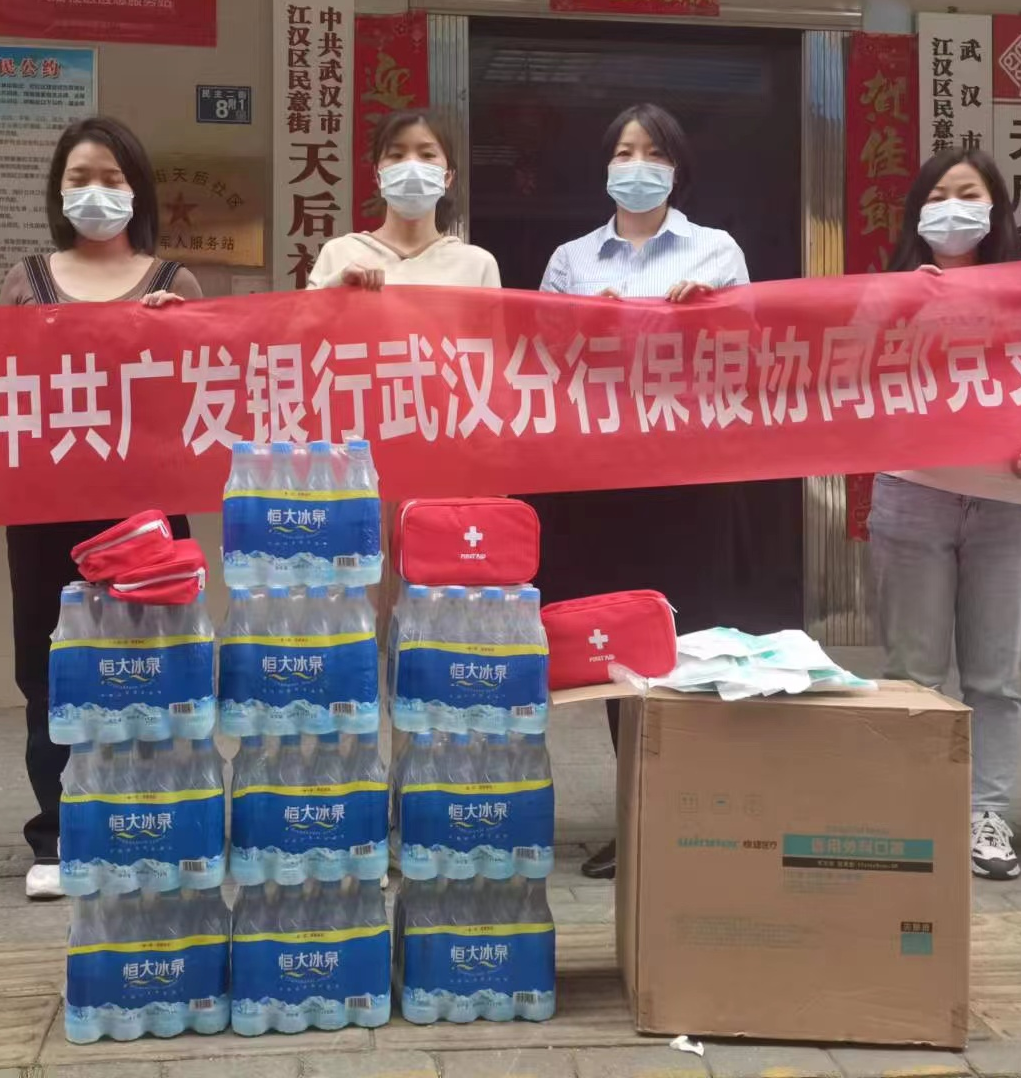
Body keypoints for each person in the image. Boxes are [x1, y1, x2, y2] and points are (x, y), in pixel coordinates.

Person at [0, 115, 201, 899]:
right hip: (45, 506)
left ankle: (153, 822)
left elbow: (204, 393)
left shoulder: (175, 283)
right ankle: (58, 836)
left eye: (112, 178)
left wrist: (183, 336)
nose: (96, 192)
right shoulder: (26, 279)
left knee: (153, 666)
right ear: (58, 192)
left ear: (138, 189)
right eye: (80, 178)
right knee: (52, 668)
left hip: (146, 511)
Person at [536, 102, 750, 880]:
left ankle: (691, 815)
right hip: (600, 483)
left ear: (677, 168)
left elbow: (750, 356)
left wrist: (712, 320)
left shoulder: (716, 250)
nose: (637, 165)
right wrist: (577, 328)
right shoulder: (571, 260)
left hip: (689, 478)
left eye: (653, 152)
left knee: (683, 644)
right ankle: (638, 815)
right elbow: (539, 365)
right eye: (624, 150)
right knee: (618, 648)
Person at [867, 148, 1021, 882]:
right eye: (937, 195)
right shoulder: (885, 295)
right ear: (916, 212)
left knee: (996, 678)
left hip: (1009, 504)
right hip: (913, 495)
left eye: (968, 193)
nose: (952, 207)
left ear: (996, 208)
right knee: (912, 671)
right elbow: (843, 382)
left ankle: (987, 812)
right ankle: (914, 807)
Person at [307, 108, 500, 290]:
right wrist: (338, 284)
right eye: (396, 155)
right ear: (378, 177)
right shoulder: (339, 253)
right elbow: (306, 314)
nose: (411, 164)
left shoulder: (477, 265)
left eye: (427, 154)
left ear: (447, 177)